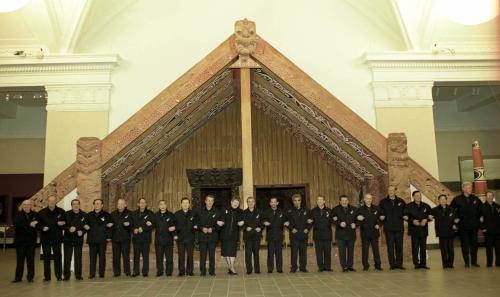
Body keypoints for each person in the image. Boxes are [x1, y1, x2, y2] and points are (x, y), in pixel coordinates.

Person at [450, 181, 481, 268]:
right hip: (463, 226)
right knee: (465, 244)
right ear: (463, 189)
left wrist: (481, 217)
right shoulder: (457, 199)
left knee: (474, 244)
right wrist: (455, 219)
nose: (471, 189)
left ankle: (474, 262)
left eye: (471, 188)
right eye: (468, 188)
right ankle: (467, 262)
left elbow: (481, 209)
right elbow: (451, 210)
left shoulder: (475, 199)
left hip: (474, 225)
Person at [37, 195, 66, 281]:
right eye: (50, 201)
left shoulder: (61, 211)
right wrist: (42, 228)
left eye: (53, 201)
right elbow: (37, 225)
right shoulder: (41, 212)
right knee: (46, 258)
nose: (52, 202)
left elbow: (65, 223)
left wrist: (63, 224)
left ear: (55, 201)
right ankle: (47, 277)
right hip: (45, 238)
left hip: (57, 238)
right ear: (47, 201)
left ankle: (59, 276)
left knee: (58, 257)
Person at [379, 185, 408, 270]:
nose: (391, 192)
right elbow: (380, 213)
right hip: (388, 229)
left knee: (399, 247)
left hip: (399, 228)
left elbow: (405, 212)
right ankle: (392, 265)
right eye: (389, 190)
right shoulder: (383, 202)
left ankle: (399, 264)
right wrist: (381, 218)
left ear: (395, 191)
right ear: (387, 191)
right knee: (390, 247)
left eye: (392, 190)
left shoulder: (401, 201)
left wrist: (406, 216)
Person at [86, 199, 113, 278]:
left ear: (102, 205)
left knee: (102, 257)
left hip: (102, 239)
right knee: (92, 257)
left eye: (98, 204)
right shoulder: (89, 215)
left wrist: (109, 237)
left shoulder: (107, 215)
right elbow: (85, 224)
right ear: (93, 205)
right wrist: (85, 226)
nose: (97, 205)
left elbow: (110, 227)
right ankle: (92, 274)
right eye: (95, 204)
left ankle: (101, 273)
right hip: (92, 239)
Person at [12, 199, 38, 283]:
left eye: (28, 204)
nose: (27, 206)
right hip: (20, 242)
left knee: (30, 260)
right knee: (20, 260)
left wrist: (31, 224)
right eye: (25, 205)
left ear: (31, 206)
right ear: (22, 206)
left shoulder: (35, 214)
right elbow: (17, 224)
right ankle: (18, 278)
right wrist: (29, 224)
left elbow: (37, 225)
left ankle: (30, 278)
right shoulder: (17, 214)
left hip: (31, 242)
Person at [197, 195, 223, 276]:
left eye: (211, 201)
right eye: (208, 200)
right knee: (202, 255)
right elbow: (196, 223)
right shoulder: (199, 211)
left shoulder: (217, 212)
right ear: (205, 201)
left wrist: (213, 229)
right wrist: (201, 228)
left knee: (212, 255)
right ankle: (203, 271)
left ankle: (212, 271)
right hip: (202, 236)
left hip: (213, 237)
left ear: (213, 202)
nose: (210, 202)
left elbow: (220, 224)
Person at [430, 194, 458, 269]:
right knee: (443, 249)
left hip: (450, 232)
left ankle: (450, 264)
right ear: (439, 201)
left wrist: (455, 224)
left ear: (446, 200)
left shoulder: (452, 209)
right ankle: (445, 264)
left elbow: (456, 219)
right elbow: (428, 216)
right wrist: (429, 217)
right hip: (441, 232)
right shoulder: (435, 210)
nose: (443, 201)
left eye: (444, 199)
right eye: (441, 199)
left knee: (450, 249)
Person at [356, 193, 382, 271]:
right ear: (364, 199)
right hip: (365, 233)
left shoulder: (377, 208)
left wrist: (379, 224)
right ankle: (365, 266)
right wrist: (358, 218)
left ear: (372, 199)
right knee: (365, 250)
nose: (369, 200)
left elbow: (381, 218)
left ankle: (378, 265)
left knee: (376, 250)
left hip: (374, 233)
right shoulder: (360, 209)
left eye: (370, 198)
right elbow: (356, 220)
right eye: (367, 198)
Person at [287, 193, 312, 273]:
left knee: (303, 252)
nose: (297, 202)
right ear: (293, 201)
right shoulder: (289, 211)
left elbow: (310, 221)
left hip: (303, 235)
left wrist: (307, 229)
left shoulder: (307, 210)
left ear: (301, 201)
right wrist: (291, 229)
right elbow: (286, 222)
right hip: (294, 235)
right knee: (294, 252)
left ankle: (303, 267)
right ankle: (293, 267)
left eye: (298, 200)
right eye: (295, 201)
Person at [406, 191, 432, 269]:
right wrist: (412, 221)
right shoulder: (409, 206)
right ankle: (416, 264)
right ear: (413, 197)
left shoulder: (426, 206)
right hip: (414, 230)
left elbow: (430, 216)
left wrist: (426, 220)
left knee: (423, 248)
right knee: (415, 248)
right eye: (417, 196)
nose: (418, 197)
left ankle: (423, 264)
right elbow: (405, 216)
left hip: (423, 230)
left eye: (419, 196)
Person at [63, 198, 87, 280]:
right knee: (67, 258)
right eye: (74, 204)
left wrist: (83, 232)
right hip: (68, 239)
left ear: (79, 205)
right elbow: (63, 225)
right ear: (71, 205)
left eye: (77, 204)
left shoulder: (84, 215)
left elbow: (86, 227)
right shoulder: (66, 214)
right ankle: (66, 276)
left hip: (78, 239)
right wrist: (68, 228)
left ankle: (78, 275)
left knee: (78, 258)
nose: (76, 205)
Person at [262, 197, 288, 273]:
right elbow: (262, 219)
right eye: (272, 202)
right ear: (270, 203)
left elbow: (287, 219)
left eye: (275, 202)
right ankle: (270, 269)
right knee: (270, 253)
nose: (273, 203)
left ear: (277, 203)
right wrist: (264, 222)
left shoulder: (282, 212)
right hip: (270, 236)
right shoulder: (266, 212)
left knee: (279, 253)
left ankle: (279, 269)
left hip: (279, 235)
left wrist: (287, 222)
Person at [332, 195, 357, 272]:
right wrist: (339, 223)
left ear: (348, 201)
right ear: (340, 201)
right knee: (342, 251)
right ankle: (344, 266)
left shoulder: (354, 209)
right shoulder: (335, 209)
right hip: (341, 234)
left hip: (351, 234)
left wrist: (356, 224)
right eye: (343, 200)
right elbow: (331, 219)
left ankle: (350, 266)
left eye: (346, 200)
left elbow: (358, 219)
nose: (344, 202)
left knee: (350, 251)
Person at [220, 197, 244, 275]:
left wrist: (241, 223)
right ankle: (230, 267)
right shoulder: (225, 209)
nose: (236, 204)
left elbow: (242, 222)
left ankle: (232, 267)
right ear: (231, 202)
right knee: (226, 252)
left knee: (232, 252)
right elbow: (220, 218)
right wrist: (220, 221)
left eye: (237, 203)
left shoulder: (240, 211)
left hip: (234, 234)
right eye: (234, 202)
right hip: (224, 234)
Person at [131, 198, 154, 277]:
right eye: (141, 203)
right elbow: (130, 225)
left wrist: (143, 229)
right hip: (136, 238)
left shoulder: (150, 213)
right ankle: (135, 271)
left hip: (146, 238)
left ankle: (145, 272)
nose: (142, 204)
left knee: (145, 256)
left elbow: (152, 226)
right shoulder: (133, 213)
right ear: (138, 204)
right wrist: (134, 229)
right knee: (136, 256)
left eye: (144, 203)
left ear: (146, 204)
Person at [174, 197, 197, 276]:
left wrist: (196, 226)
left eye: (187, 203)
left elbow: (196, 223)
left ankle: (190, 271)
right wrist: (175, 235)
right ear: (181, 204)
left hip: (190, 238)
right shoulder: (176, 214)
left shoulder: (193, 213)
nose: (185, 204)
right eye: (184, 203)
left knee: (190, 255)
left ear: (189, 204)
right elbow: (174, 226)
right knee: (181, 255)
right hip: (180, 238)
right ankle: (181, 271)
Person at [310, 196, 333, 272]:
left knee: (327, 252)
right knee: (319, 252)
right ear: (316, 202)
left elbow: (332, 220)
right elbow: (310, 221)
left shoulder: (329, 210)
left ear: (324, 201)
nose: (319, 201)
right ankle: (320, 267)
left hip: (327, 234)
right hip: (317, 234)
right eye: (318, 200)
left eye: (321, 200)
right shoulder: (312, 211)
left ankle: (328, 267)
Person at [110, 198, 132, 277]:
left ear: (125, 205)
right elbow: (110, 225)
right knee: (116, 256)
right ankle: (116, 272)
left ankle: (127, 271)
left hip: (125, 238)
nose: (119, 205)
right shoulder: (113, 214)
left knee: (126, 256)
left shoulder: (130, 213)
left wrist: (129, 224)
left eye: (121, 204)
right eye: (118, 204)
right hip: (115, 238)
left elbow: (132, 225)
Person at [154, 200, 176, 276]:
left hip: (168, 240)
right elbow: (152, 226)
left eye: (164, 204)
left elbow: (175, 225)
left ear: (166, 205)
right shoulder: (155, 215)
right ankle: (160, 271)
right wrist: (149, 224)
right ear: (159, 206)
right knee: (159, 257)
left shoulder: (171, 215)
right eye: (161, 204)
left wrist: (174, 229)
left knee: (169, 257)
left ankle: (169, 272)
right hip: (158, 240)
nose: (162, 206)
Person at [479, 191, 500, 267]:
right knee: (489, 249)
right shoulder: (482, 207)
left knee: (498, 248)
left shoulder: (497, 206)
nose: (490, 197)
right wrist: (483, 228)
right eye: (488, 196)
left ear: (493, 197)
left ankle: (498, 263)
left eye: (491, 196)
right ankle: (489, 263)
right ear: (486, 197)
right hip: (487, 231)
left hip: (497, 231)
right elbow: (480, 219)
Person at [242, 196, 262, 275]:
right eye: (249, 201)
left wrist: (260, 228)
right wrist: (246, 227)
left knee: (256, 253)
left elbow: (262, 222)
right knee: (248, 254)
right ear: (247, 203)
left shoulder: (259, 212)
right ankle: (249, 270)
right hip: (248, 236)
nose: (251, 203)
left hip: (257, 236)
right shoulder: (243, 212)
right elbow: (241, 223)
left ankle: (257, 269)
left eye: (252, 201)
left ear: (254, 203)